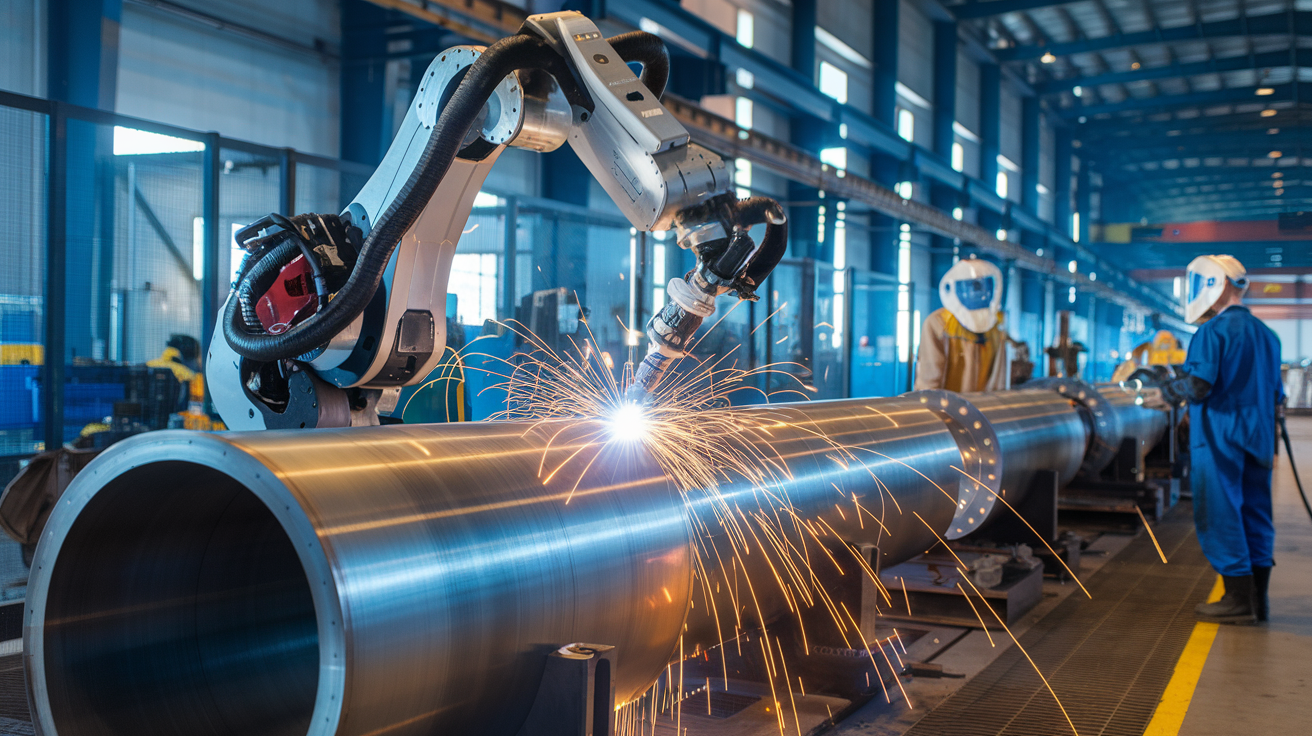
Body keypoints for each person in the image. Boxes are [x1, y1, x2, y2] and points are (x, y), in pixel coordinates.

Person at [1160, 255, 1283, 624]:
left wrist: (1166, 392)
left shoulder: (1211, 333)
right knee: (1256, 511)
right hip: (1258, 437)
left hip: (1221, 438)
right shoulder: (1268, 335)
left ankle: (1236, 600)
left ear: (1219, 284)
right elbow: (1276, 394)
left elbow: (1199, 385)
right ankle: (1258, 600)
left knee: (1221, 511)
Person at [914, 258, 1009, 392]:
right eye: (972, 286)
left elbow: (999, 376)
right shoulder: (938, 323)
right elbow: (929, 379)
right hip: (946, 407)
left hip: (984, 407)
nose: (976, 293)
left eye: (980, 286)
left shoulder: (997, 324)